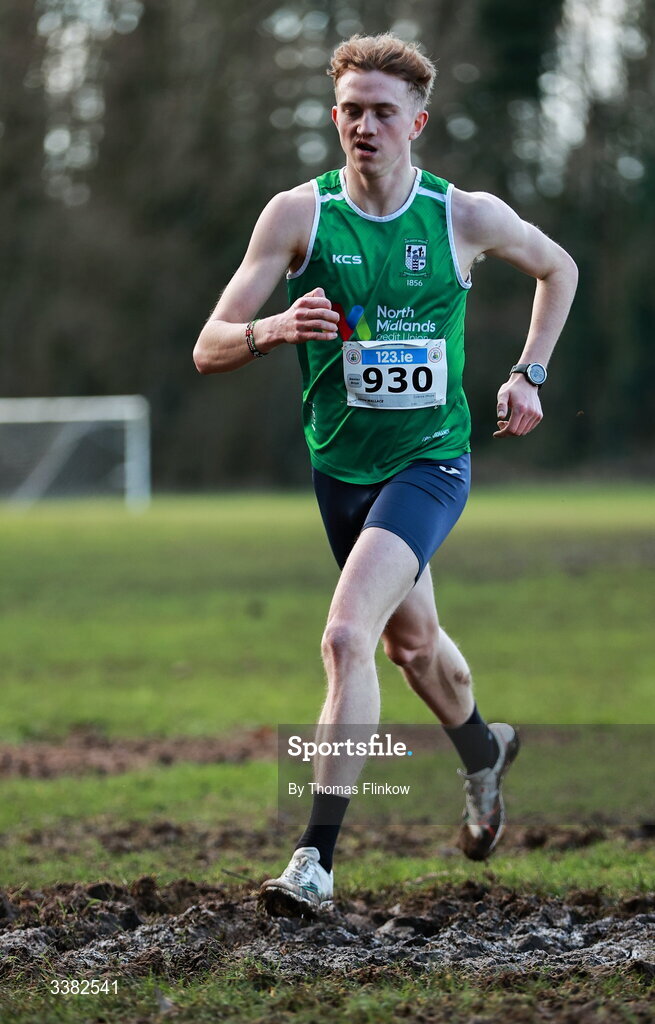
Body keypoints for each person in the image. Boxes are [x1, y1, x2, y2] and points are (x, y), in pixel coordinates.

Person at [193, 33, 578, 917]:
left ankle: (313, 862)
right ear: (334, 119)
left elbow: (558, 268)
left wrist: (530, 374)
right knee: (412, 649)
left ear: (417, 122)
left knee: (345, 637)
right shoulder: (296, 216)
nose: (364, 126)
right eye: (349, 111)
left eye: (381, 112)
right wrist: (274, 329)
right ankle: (483, 752)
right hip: (341, 470)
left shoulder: (462, 216)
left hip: (430, 462)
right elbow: (208, 345)